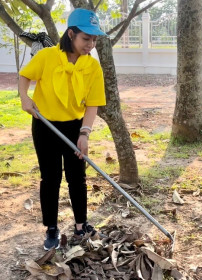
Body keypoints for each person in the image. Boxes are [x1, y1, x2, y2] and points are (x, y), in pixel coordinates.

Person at [18, 8, 107, 250]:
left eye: (94, 39)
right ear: (71, 34)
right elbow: (25, 76)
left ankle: (81, 225)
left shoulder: (92, 67)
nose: (91, 44)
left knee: (77, 178)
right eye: (86, 39)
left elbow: (93, 104)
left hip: (74, 127)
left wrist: (85, 133)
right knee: (51, 178)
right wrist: (25, 98)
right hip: (45, 125)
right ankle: (52, 229)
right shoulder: (47, 57)